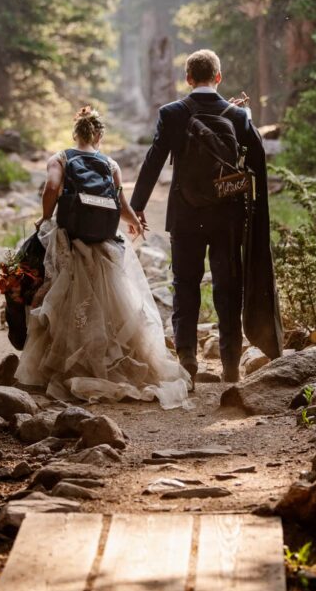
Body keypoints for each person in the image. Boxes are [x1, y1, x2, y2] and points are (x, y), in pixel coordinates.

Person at [15, 106, 191, 408]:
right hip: (104, 242)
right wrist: (134, 220)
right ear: (99, 135)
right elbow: (120, 202)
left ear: (76, 133)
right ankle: (109, 360)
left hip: (71, 240)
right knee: (111, 304)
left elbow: (52, 187)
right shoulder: (110, 164)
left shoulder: (60, 158)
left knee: (66, 301)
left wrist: (46, 217)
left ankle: (61, 366)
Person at [130, 49, 259, 387]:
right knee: (228, 288)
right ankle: (230, 364)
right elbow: (254, 168)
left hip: (186, 215)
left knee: (185, 285)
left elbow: (153, 161)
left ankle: (187, 358)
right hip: (227, 216)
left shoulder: (172, 113)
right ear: (219, 77)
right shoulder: (238, 116)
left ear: (188, 78)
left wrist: (136, 206)